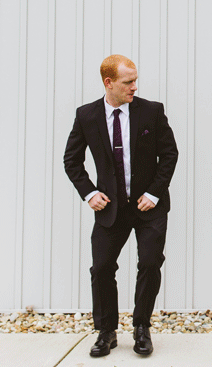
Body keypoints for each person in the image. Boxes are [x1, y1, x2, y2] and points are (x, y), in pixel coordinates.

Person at [63, 55, 179, 357]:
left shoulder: (152, 111)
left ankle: (141, 327)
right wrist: (89, 193)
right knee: (101, 268)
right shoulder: (87, 115)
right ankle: (106, 331)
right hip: (110, 208)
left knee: (150, 263)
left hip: (148, 206)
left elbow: (169, 154)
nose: (134, 87)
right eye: (128, 82)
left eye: (135, 80)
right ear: (109, 83)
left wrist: (154, 193)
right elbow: (71, 160)